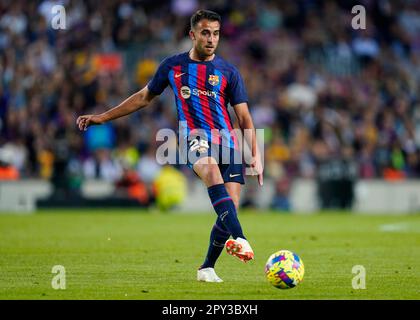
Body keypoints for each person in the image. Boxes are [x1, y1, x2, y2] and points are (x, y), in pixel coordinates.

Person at [76, 9, 263, 283]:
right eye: (205, 33)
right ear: (192, 34)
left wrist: (255, 156)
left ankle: (207, 268)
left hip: (228, 144)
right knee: (211, 171)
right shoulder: (173, 66)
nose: (211, 39)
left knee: (230, 207)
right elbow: (143, 97)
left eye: (216, 33)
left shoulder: (228, 72)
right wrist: (102, 117)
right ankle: (242, 239)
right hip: (195, 139)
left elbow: (244, 117)